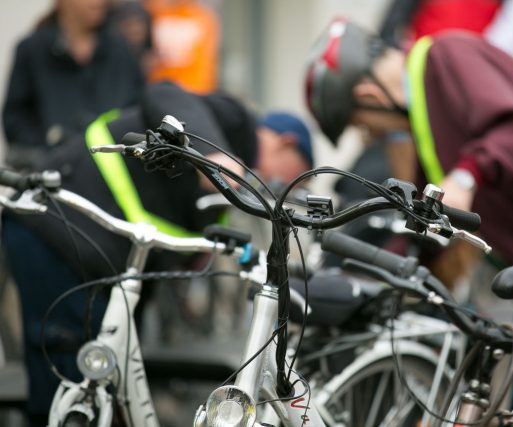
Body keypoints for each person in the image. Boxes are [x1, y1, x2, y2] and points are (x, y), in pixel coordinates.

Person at [1, 82, 312, 425]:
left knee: (105, 379)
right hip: (57, 227)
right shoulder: (236, 125)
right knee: (64, 376)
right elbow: (165, 94)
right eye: (294, 176)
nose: (283, 186)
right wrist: (215, 157)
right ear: (287, 144)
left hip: (102, 260)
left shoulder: (239, 187)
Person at [304, 19, 513, 335]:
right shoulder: (425, 114)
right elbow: (428, 219)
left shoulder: (448, 57)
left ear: (369, 97)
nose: (369, 135)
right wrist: (381, 274)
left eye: (362, 124)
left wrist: (464, 177)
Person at [2, 0, 144, 169]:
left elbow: (136, 112)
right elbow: (15, 118)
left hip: (111, 173)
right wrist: (49, 152)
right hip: (52, 178)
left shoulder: (121, 50)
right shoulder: (32, 51)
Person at [144, 0, 221, 94]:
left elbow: (208, 60)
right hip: (159, 88)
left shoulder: (204, 17)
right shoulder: (155, 12)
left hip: (194, 89)